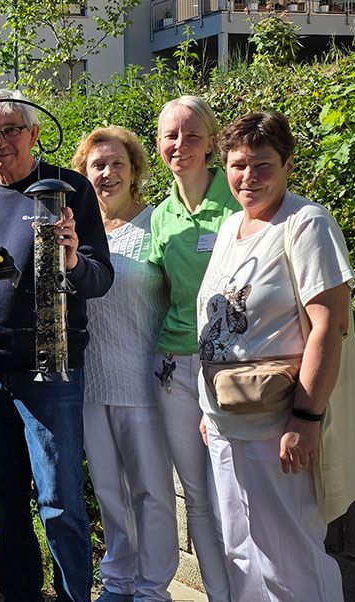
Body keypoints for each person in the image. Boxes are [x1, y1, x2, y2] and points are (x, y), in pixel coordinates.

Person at [0, 88, 113, 602]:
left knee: (59, 501)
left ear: (33, 133)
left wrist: (72, 260)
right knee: (5, 498)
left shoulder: (66, 190)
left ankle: (73, 595)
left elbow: (100, 278)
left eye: (10, 130)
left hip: (50, 369)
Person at [197, 112, 348, 601]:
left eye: (263, 165)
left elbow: (329, 325)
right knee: (242, 553)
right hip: (225, 422)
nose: (249, 177)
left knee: (291, 559)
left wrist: (306, 418)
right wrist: (208, 408)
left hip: (276, 426)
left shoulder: (306, 224)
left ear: (287, 165)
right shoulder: (230, 228)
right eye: (238, 165)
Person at [72, 127, 178, 602]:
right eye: (97, 165)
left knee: (152, 492)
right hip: (91, 381)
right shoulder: (77, 233)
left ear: (135, 170)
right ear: (84, 174)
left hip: (143, 381)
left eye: (117, 163)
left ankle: (153, 590)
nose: (107, 173)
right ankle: (118, 582)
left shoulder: (156, 224)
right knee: (109, 491)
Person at [148, 95, 237, 601]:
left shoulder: (238, 201)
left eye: (192, 135)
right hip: (174, 368)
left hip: (231, 368)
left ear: (211, 143)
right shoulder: (161, 216)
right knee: (199, 498)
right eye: (170, 135)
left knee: (236, 496)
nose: (180, 144)